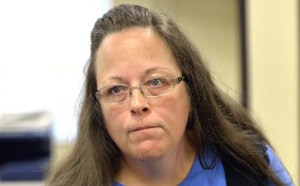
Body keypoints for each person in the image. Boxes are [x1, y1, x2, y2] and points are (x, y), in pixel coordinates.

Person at [47, 4, 294, 186]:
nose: (137, 104)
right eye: (116, 90)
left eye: (156, 82)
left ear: (191, 90)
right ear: (98, 108)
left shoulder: (249, 163)